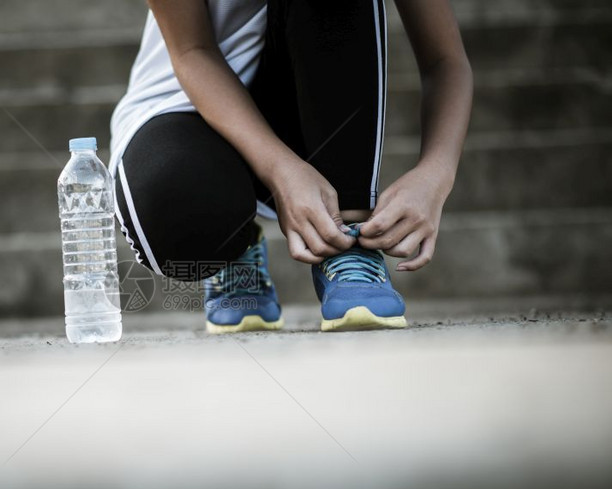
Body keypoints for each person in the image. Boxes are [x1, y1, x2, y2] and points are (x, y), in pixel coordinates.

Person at [109, 0, 473, 333]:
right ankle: (235, 250)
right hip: (188, 103)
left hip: (308, 103)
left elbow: (445, 60)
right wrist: (280, 169)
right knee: (174, 212)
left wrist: (435, 174)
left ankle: (349, 243)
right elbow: (192, 51)